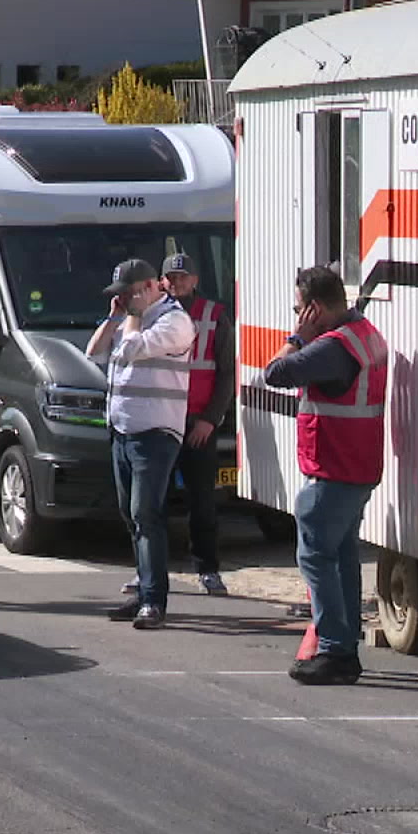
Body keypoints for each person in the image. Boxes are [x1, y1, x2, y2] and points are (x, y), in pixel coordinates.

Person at [263, 267, 389, 685]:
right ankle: (344, 644)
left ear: (314, 309)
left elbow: (274, 374)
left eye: (299, 309)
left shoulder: (331, 348)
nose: (296, 315)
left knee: (315, 557)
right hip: (358, 465)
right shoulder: (364, 333)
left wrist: (296, 338)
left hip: (333, 468)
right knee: (343, 557)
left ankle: (336, 650)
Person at [86, 258, 195, 630]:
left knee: (146, 514)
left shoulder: (175, 321)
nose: (124, 300)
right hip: (122, 429)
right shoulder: (130, 318)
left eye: (129, 292)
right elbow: (94, 351)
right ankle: (143, 587)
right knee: (130, 515)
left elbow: (131, 349)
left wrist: (130, 317)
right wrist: (115, 316)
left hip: (156, 432)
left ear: (151, 286)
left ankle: (154, 600)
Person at [164, 252, 236, 596]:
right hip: (160, 422)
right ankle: (150, 571)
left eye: (183, 276)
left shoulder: (214, 316)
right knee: (151, 502)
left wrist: (209, 420)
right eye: (171, 277)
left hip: (198, 423)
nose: (177, 282)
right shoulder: (153, 314)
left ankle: (208, 570)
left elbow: (226, 376)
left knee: (202, 501)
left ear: (195, 280)